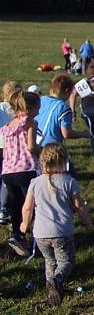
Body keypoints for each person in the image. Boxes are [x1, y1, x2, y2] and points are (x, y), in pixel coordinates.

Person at [20, 143, 93, 306]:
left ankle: (52, 290)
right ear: (63, 161)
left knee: (50, 261)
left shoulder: (35, 182)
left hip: (40, 234)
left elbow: (27, 207)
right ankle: (57, 280)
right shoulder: (69, 181)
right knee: (66, 261)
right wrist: (87, 222)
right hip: (62, 232)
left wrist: (24, 224)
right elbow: (79, 206)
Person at [0, 90, 41, 256]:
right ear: (29, 108)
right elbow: (31, 146)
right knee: (32, 206)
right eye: (38, 108)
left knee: (16, 205)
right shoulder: (30, 122)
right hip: (25, 169)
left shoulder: (6, 127)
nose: (39, 111)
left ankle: (18, 236)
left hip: (8, 171)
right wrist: (43, 151)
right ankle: (39, 240)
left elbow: (3, 151)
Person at [36, 75, 90, 176]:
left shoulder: (40, 100)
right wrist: (84, 133)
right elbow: (66, 133)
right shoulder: (63, 107)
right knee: (69, 176)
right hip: (51, 149)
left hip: (35, 144)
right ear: (66, 91)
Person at [0, 80, 22, 225]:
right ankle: (4, 208)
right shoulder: (19, 109)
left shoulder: (1, 107)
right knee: (6, 179)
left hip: (1, 145)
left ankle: (3, 209)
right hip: (12, 148)